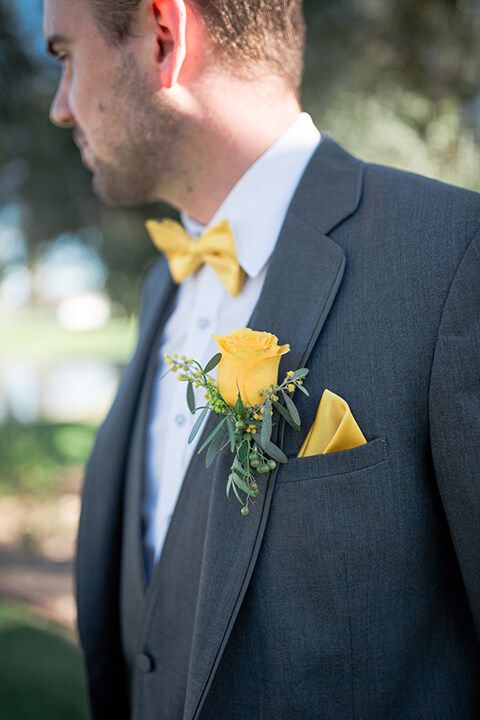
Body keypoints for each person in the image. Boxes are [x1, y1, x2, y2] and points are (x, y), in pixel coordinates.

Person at [43, 1, 480, 719]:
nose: (60, 108)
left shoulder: (452, 257)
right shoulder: (164, 284)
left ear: (163, 36)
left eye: (65, 55)